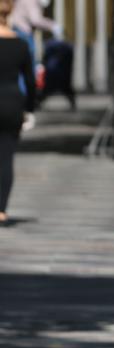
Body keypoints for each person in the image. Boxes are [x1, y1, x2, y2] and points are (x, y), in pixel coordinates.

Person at [0, 0, 34, 226]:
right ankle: (1, 210)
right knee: (5, 158)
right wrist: (29, 109)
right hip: (11, 104)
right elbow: (30, 82)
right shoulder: (21, 45)